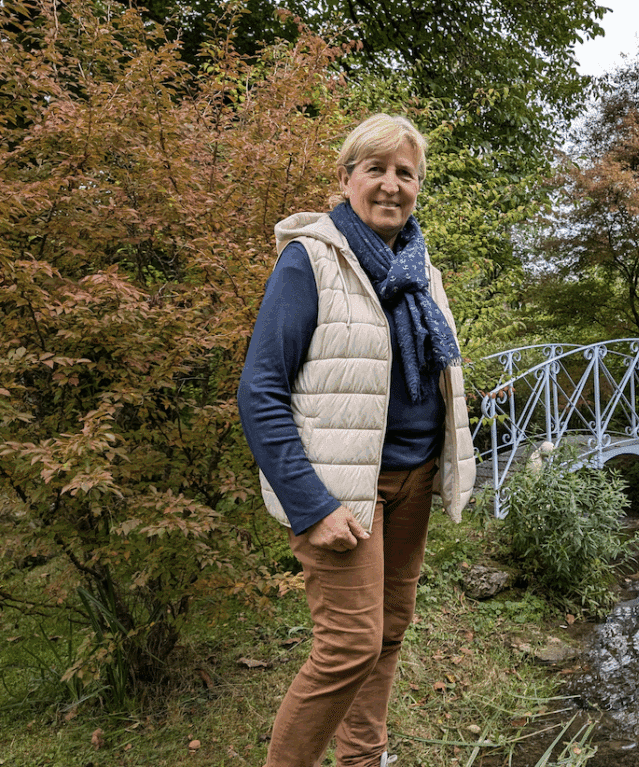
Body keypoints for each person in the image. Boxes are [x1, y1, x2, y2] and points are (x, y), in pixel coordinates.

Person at [237, 113, 476, 767]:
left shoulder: (420, 268)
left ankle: (363, 759)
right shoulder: (310, 259)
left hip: (413, 479)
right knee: (348, 645)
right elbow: (260, 392)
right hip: (343, 489)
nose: (392, 184)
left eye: (406, 172)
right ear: (347, 178)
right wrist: (311, 504)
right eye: (376, 168)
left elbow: (421, 375)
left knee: (388, 634)